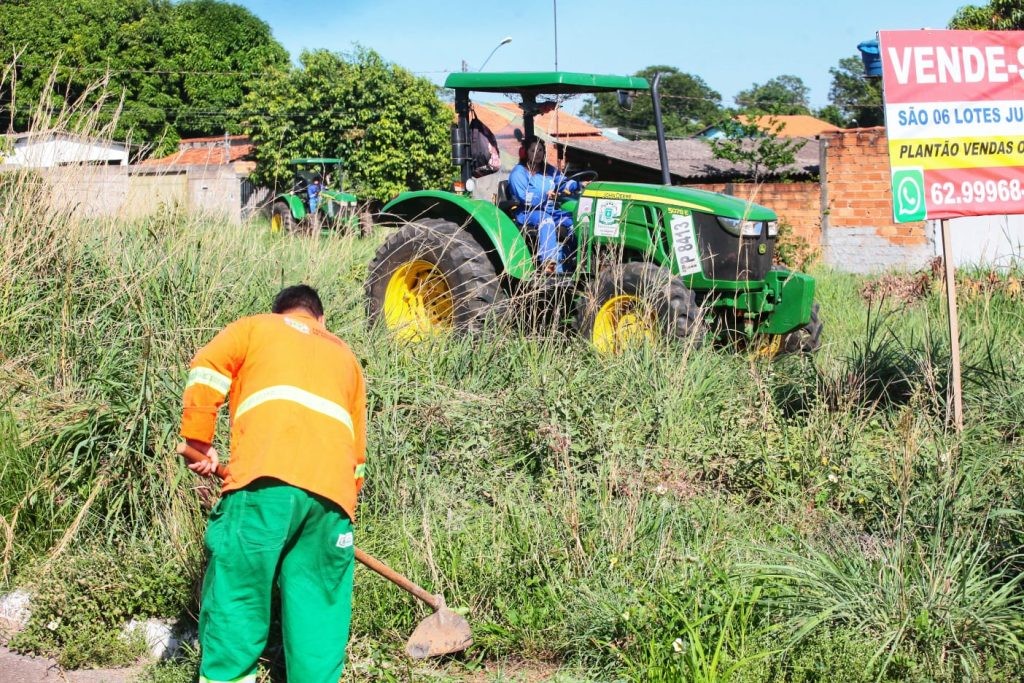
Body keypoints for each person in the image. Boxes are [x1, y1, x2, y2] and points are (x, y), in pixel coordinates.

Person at [179, 284, 367, 683]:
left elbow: (206, 366)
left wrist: (199, 442)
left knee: (239, 595)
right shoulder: (346, 356)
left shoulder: (256, 328)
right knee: (319, 609)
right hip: (333, 499)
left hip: (263, 486)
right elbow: (358, 455)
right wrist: (336, 512)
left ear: (280, 312)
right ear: (321, 320)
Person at [507, 137, 579, 274]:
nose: (537, 153)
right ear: (525, 153)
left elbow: (563, 182)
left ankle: (571, 258)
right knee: (546, 220)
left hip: (550, 210)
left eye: (540, 150)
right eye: (533, 150)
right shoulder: (518, 173)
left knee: (575, 222)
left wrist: (576, 184)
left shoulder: (548, 170)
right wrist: (546, 195)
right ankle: (548, 263)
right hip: (527, 212)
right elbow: (524, 198)